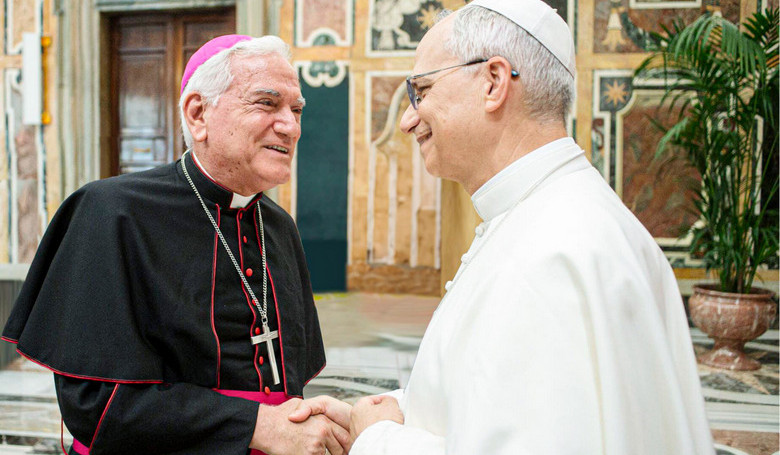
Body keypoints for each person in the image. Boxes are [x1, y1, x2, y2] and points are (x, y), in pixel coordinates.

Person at [294, 0, 716, 453]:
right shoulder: (556, 218)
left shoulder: (552, 253)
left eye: (422, 91)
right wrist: (391, 412)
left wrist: (378, 438)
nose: (407, 118)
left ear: (493, 83)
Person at [2, 35, 351, 455]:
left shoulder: (279, 226)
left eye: (296, 110)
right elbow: (94, 406)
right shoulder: (111, 213)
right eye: (266, 103)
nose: (291, 126)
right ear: (198, 114)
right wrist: (256, 425)